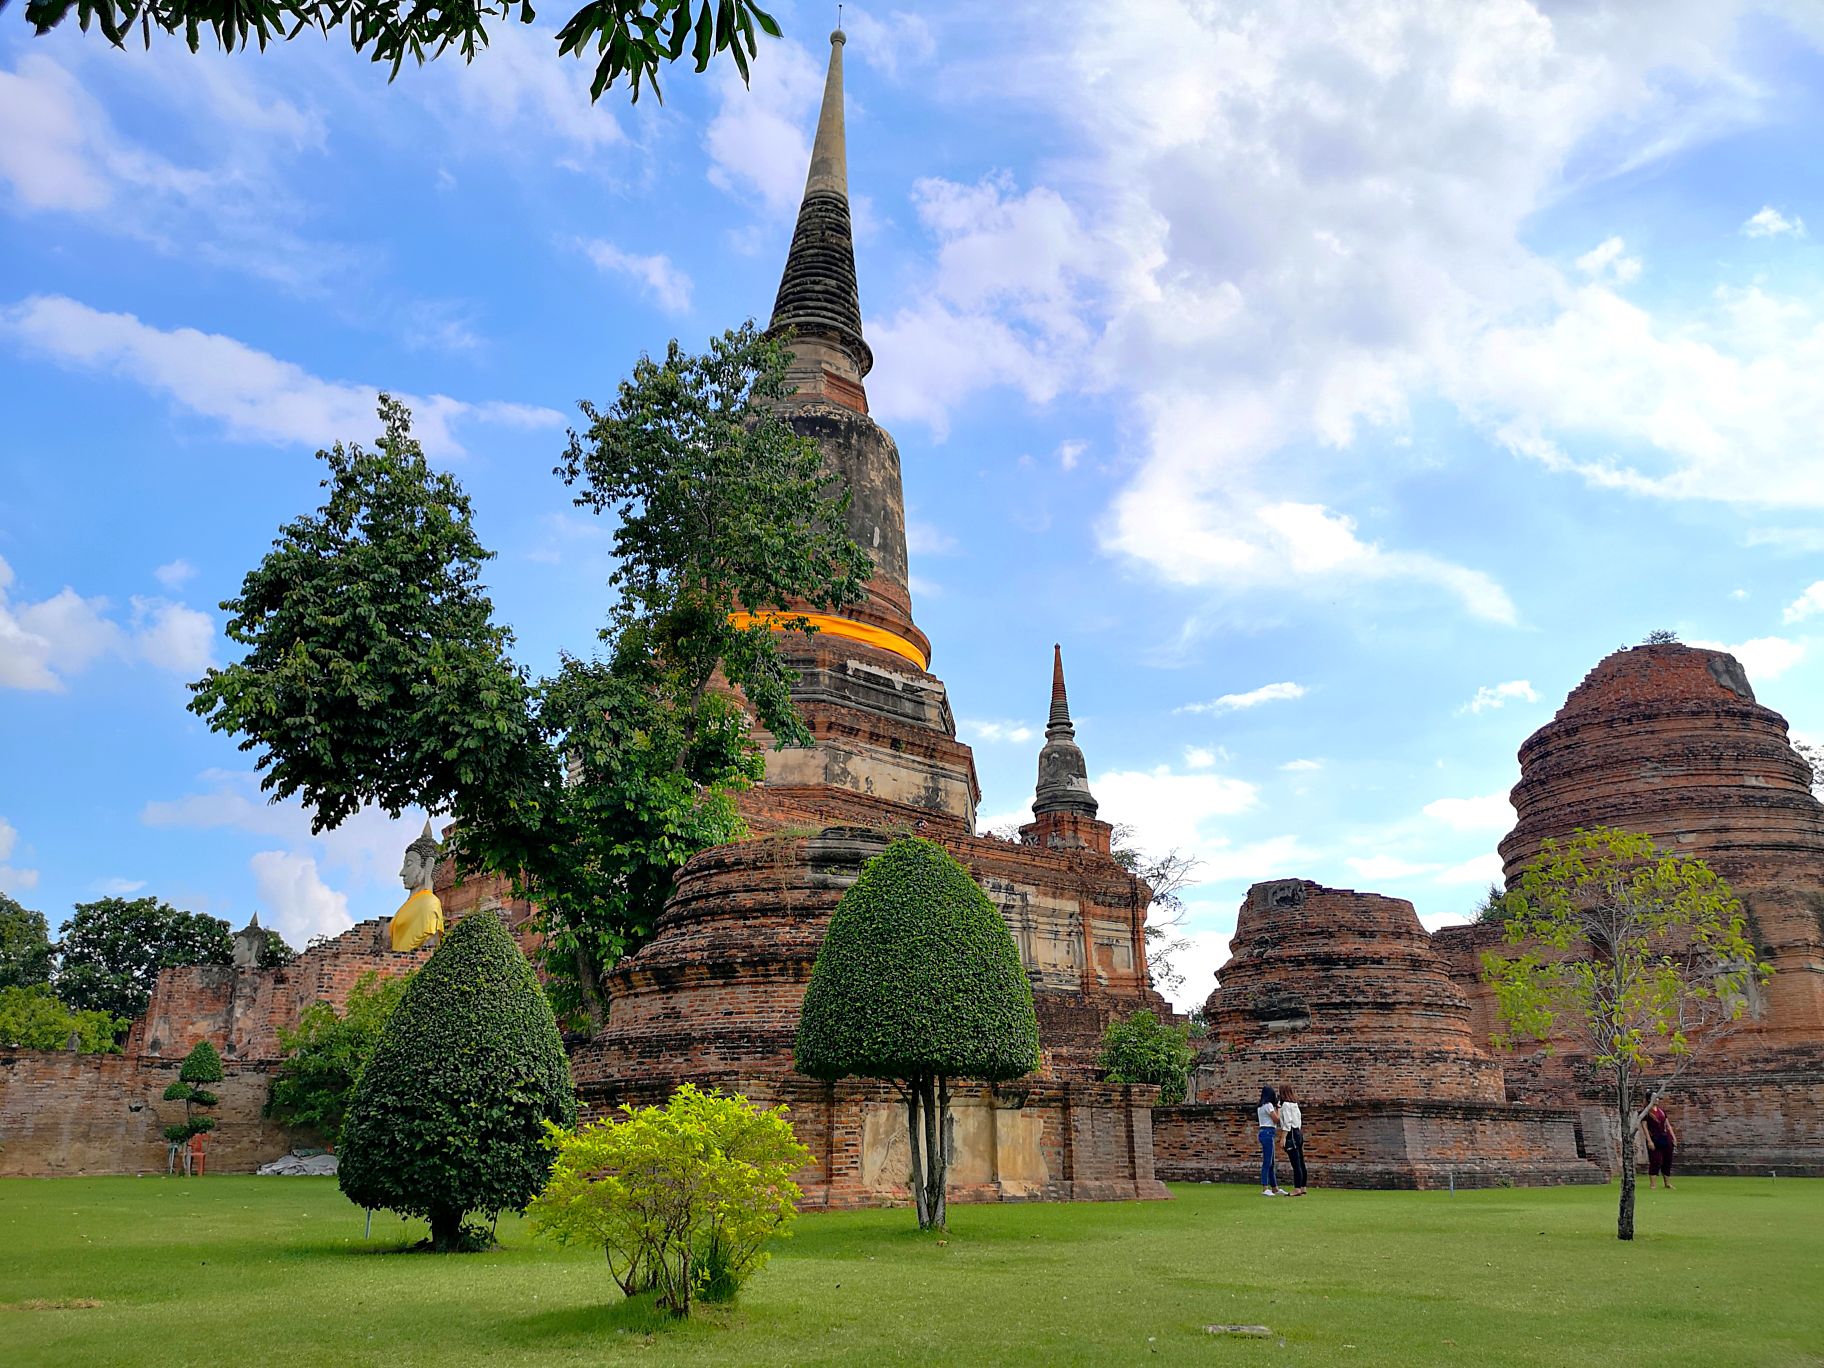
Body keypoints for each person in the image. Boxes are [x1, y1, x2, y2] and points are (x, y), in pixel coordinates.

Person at [1257, 1086, 1288, 1196]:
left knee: (1271, 1162)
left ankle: (1274, 1187)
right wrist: (1278, 1109)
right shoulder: (1268, 1106)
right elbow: (1276, 1119)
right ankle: (1265, 1187)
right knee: (1267, 1162)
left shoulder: (1260, 1106)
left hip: (1265, 1132)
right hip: (1268, 1133)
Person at [1641, 1099, 1677, 1189]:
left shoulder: (1661, 1111)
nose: (1657, 1100)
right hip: (1654, 1138)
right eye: (1655, 1098)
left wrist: (1673, 1137)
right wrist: (1649, 1140)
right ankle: (1653, 1183)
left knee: (1667, 1160)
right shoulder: (1645, 1112)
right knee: (1655, 1160)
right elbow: (1644, 1127)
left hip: (1665, 1137)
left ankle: (1667, 1183)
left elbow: (1667, 1125)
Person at [1279, 1084, 1308, 1196]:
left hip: (1291, 1133)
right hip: (1297, 1132)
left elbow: (1287, 1122)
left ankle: (1297, 1188)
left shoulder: (1285, 1105)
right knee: (1301, 1161)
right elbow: (1298, 1118)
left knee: (1295, 1163)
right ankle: (1303, 1186)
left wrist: (1283, 1137)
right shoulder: (1294, 1104)